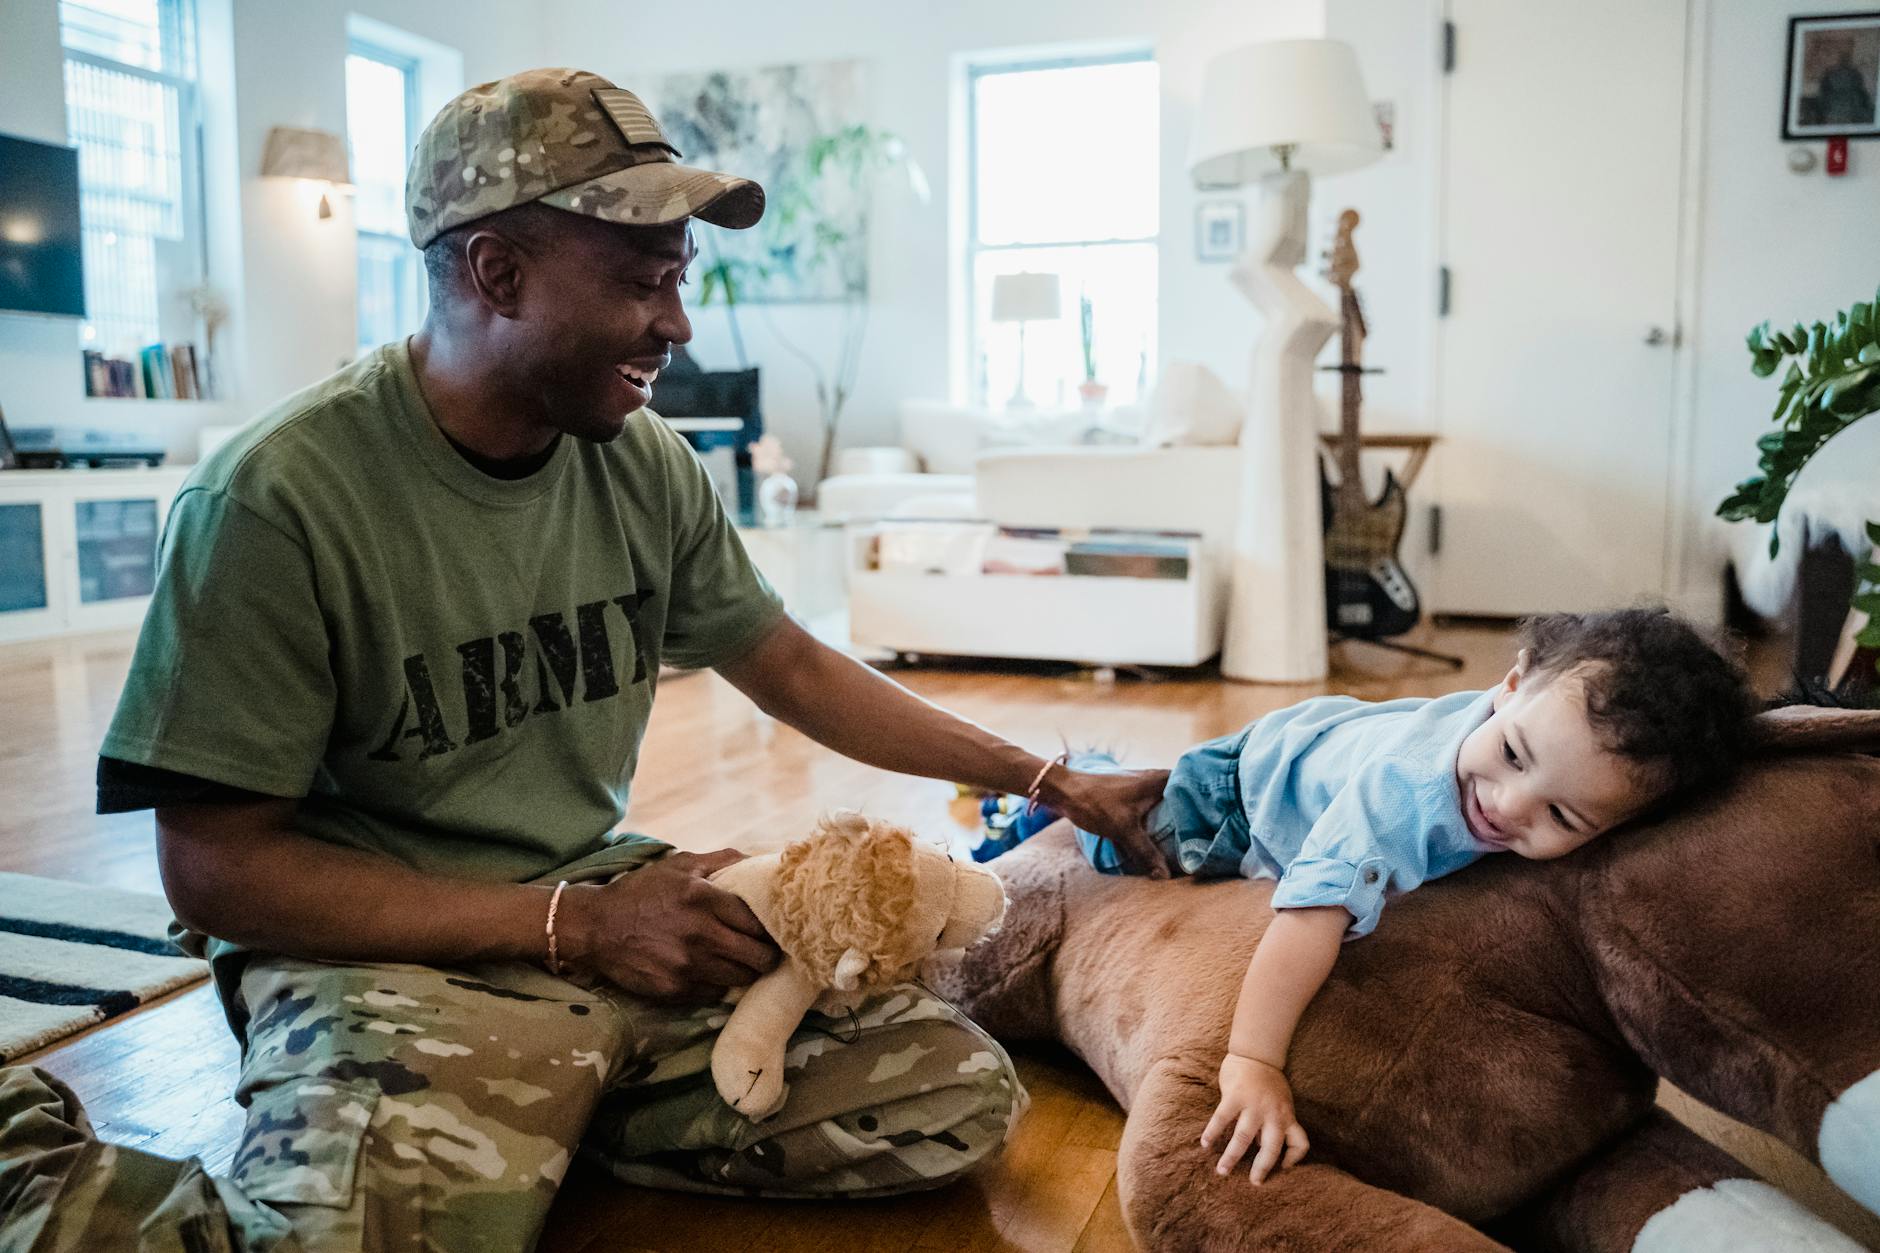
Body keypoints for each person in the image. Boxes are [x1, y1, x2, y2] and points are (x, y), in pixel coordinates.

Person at [0, 68, 1167, 1253]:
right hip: (390, 946)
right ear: (496, 272)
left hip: (601, 901)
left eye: (678, 278)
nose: (677, 323)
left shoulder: (642, 460)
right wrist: (572, 927)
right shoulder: (276, 499)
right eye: (639, 280)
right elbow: (215, 873)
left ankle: (536, 1109)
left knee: (942, 1100)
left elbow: (794, 666)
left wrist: (1043, 779)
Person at [1067, 608, 1753, 1186]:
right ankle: (1082, 779)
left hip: (1338, 733)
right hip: (1238, 793)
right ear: (1509, 685)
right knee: (1120, 843)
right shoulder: (1398, 802)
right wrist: (1252, 1060)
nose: (1507, 804)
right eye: (1513, 754)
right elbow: (1307, 919)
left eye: (1564, 817)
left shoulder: (1535, 735)